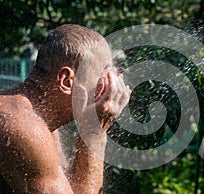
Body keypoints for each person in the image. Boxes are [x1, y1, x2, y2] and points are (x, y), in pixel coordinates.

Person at [0, 24, 131, 193]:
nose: (114, 82)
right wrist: (94, 132)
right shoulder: (24, 127)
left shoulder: (40, 119)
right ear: (67, 81)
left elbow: (70, 189)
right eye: (104, 70)